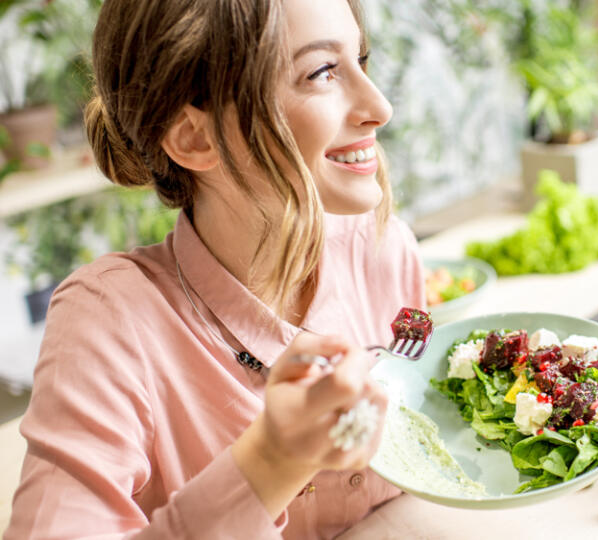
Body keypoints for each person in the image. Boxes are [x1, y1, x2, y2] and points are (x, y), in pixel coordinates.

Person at [5, 0, 425, 538]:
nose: (380, 106)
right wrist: (270, 462)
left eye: (361, 59)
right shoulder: (109, 322)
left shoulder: (385, 250)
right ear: (194, 138)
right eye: (322, 72)